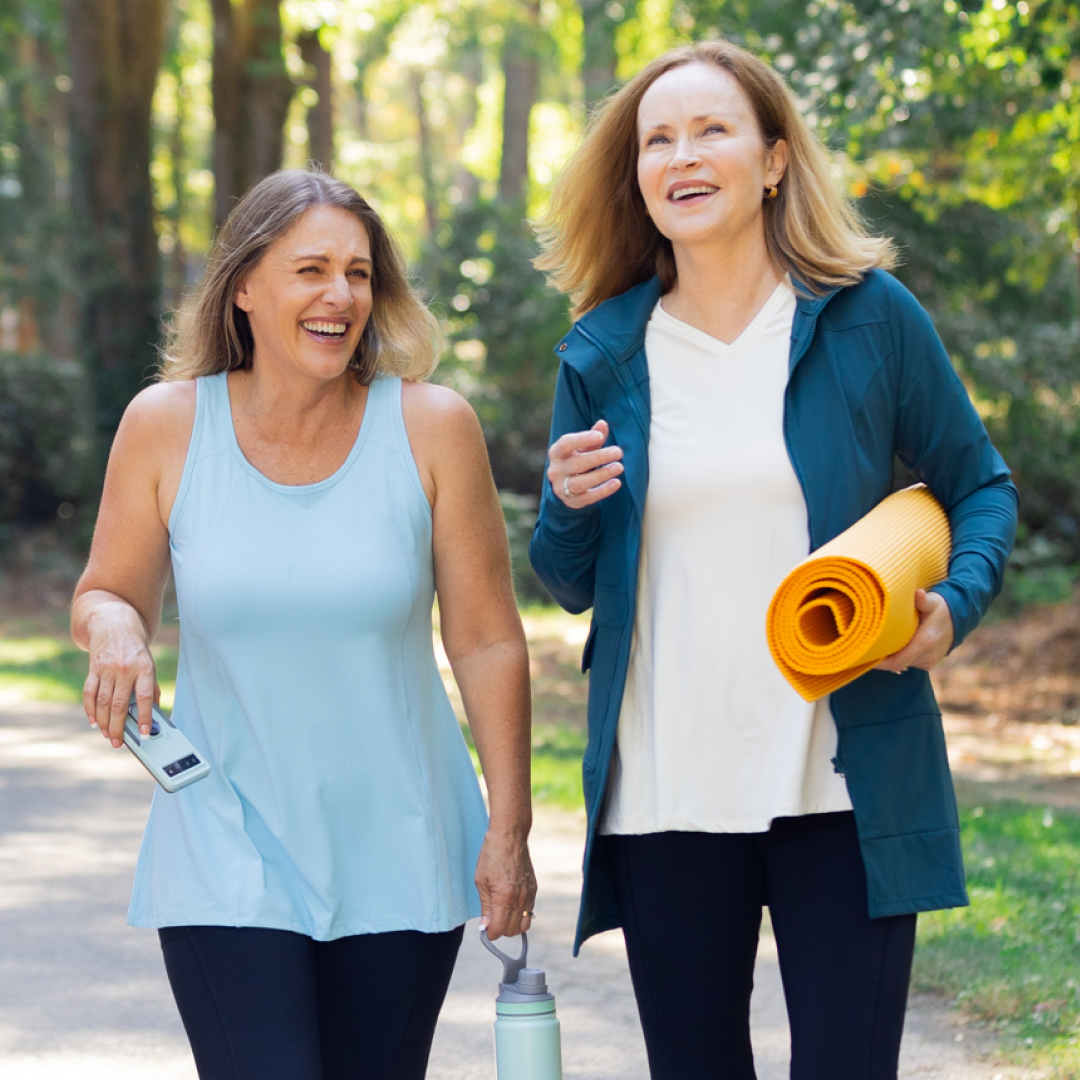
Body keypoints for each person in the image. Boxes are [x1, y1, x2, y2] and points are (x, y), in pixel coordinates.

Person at [529, 39, 1016, 1080]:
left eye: (712, 130)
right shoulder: (604, 351)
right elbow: (568, 580)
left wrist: (948, 608)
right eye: (658, 139)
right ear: (638, 178)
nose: (682, 155)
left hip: (843, 785)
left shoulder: (868, 318)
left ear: (775, 159)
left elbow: (979, 483)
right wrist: (565, 504)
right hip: (668, 794)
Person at [71, 169, 536, 1080]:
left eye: (359, 274)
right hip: (221, 842)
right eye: (312, 269)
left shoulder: (434, 428)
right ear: (244, 286)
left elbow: (486, 640)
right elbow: (104, 591)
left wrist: (510, 830)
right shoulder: (166, 427)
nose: (340, 296)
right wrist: (118, 628)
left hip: (402, 847)